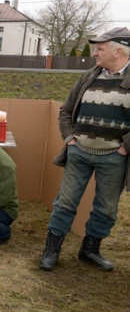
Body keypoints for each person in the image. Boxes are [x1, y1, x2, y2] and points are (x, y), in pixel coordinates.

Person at [39, 27, 130, 272]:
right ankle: (51, 250)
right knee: (65, 203)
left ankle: (90, 250)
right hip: (79, 152)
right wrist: (70, 139)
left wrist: (124, 148)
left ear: (118, 50)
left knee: (106, 208)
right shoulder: (89, 76)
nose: (95, 53)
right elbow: (66, 110)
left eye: (100, 49)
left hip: (114, 158)